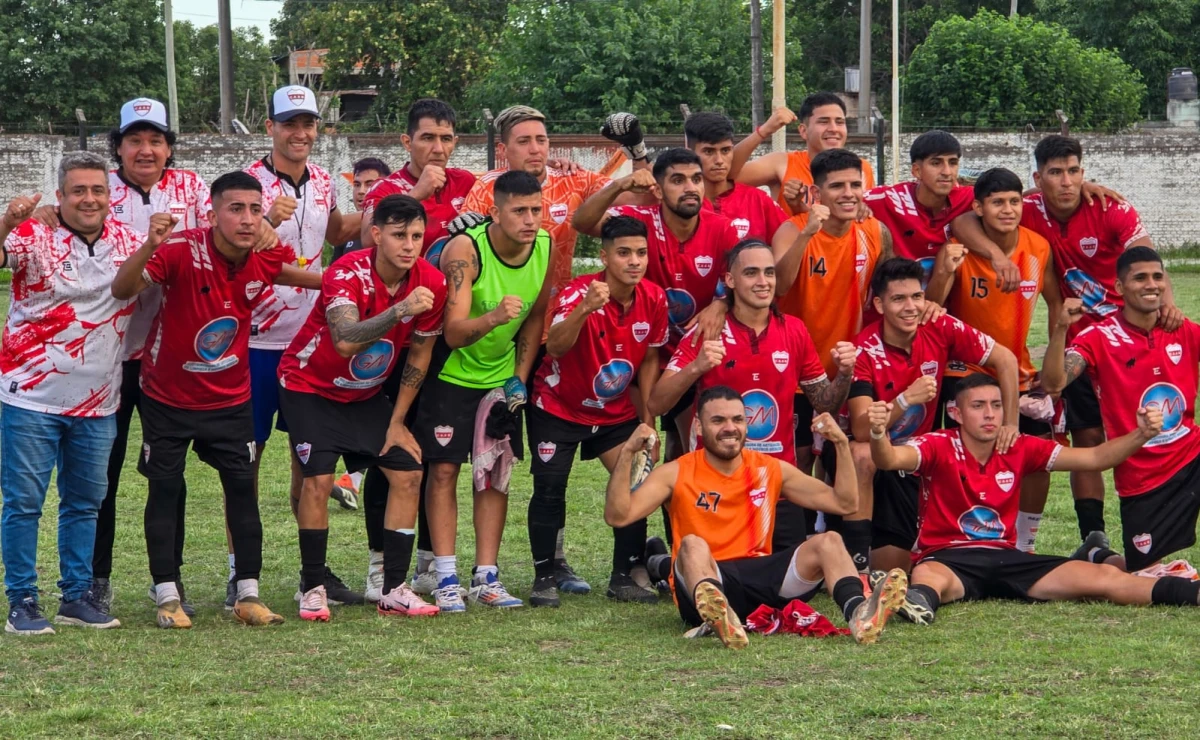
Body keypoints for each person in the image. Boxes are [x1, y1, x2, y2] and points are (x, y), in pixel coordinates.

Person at [110, 170, 321, 629]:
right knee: (164, 489)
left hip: (230, 399)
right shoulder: (179, 249)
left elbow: (294, 273)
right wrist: (148, 245)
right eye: (235, 209)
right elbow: (123, 289)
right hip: (168, 397)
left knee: (243, 491)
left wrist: (340, 284)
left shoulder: (265, 255)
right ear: (212, 212)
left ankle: (247, 593)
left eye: (254, 209)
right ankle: (166, 593)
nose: (247, 219)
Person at [867, 372, 1200, 622]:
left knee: (1107, 579)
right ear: (955, 412)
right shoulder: (937, 443)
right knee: (929, 579)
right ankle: (915, 602)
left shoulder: (1019, 446)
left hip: (1008, 559)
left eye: (996, 406)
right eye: (978, 406)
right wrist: (879, 433)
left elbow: (1097, 459)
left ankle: (1190, 594)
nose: (989, 415)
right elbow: (889, 460)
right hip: (948, 557)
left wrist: (1142, 434)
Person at [604, 386, 908, 649]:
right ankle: (721, 616)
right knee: (692, 545)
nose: (730, 427)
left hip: (762, 579)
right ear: (698, 426)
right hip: (707, 577)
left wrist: (841, 443)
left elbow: (844, 503)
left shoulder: (768, 468)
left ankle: (859, 614)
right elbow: (619, 516)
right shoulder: (676, 472)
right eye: (718, 420)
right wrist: (628, 451)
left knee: (828, 541)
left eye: (737, 419)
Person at [279, 195, 446, 621]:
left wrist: (396, 422)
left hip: (365, 395)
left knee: (408, 472)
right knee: (317, 480)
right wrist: (401, 310)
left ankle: (393, 589)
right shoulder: (345, 271)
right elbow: (347, 340)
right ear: (376, 235)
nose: (409, 245)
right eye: (398, 235)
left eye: (415, 236)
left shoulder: (431, 280)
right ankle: (313, 586)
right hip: (308, 385)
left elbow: (420, 356)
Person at [0, 152, 144, 635]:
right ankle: (21, 600)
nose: (89, 198)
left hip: (99, 402)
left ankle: (76, 596)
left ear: (110, 195)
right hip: (29, 397)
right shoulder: (33, 234)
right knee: (23, 503)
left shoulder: (130, 242)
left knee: (85, 503)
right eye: (78, 190)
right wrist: (7, 221)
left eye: (97, 190)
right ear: (60, 196)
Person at [1017, 135, 1181, 546]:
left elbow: (1145, 258)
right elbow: (977, 201)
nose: (1067, 181)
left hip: (1127, 340)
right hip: (1081, 345)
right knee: (1086, 438)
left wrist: (1166, 304)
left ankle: (1155, 534)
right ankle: (1094, 537)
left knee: (1150, 433)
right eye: (1056, 173)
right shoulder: (1026, 208)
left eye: (1074, 171)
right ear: (1039, 179)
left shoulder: (1111, 207)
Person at [651, 239, 855, 552]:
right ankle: (664, 561)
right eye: (751, 273)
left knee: (790, 581)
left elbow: (823, 402)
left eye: (769, 273)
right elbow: (657, 402)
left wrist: (844, 374)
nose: (763, 282)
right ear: (730, 280)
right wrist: (696, 368)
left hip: (777, 482)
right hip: (715, 482)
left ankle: (660, 562)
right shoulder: (709, 329)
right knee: (720, 574)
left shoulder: (794, 330)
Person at [244, 85, 363, 606]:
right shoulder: (245, 184)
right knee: (244, 460)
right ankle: (241, 572)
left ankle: (311, 573)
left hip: (307, 343)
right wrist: (330, 282)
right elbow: (237, 253)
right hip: (250, 341)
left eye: (308, 124)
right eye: (289, 123)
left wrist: (388, 210)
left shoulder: (320, 179)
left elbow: (335, 230)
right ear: (269, 126)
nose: (300, 133)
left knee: (309, 463)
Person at [411, 171, 551, 612]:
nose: (530, 220)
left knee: (495, 474)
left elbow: (535, 317)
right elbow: (452, 333)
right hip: (451, 375)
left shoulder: (545, 246)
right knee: (446, 473)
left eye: (536, 210)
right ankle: (447, 575)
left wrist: (518, 376)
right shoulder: (465, 250)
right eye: (519, 211)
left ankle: (487, 576)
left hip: (498, 378)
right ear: (495, 212)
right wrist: (494, 318)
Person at [526, 215, 669, 606]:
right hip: (558, 407)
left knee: (634, 485)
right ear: (604, 256)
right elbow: (553, 347)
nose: (634, 261)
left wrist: (648, 421)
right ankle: (544, 576)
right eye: (624, 253)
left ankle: (624, 577)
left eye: (640, 253)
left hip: (615, 412)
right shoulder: (578, 294)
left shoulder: (655, 298)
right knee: (550, 490)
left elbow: (650, 360)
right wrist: (584, 310)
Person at [846, 258, 1018, 574]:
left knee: (904, 567)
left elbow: (1006, 360)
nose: (910, 307)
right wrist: (905, 399)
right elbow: (860, 429)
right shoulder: (865, 349)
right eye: (899, 299)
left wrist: (1011, 424)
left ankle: (993, 543)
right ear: (880, 305)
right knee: (862, 454)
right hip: (881, 458)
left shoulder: (939, 326)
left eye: (917, 296)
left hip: (920, 457)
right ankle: (859, 564)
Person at [925, 168, 1064, 553]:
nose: (1008, 209)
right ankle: (962, 535)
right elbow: (932, 309)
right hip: (965, 371)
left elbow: (1054, 302)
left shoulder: (1038, 246)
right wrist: (944, 270)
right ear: (979, 208)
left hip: (1019, 372)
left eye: (1014, 201)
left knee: (1039, 454)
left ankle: (1025, 541)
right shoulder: (960, 248)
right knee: (966, 459)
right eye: (998, 202)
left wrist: (1056, 350)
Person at [573, 148, 740, 462]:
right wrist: (619, 186)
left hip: (693, 353)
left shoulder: (722, 227)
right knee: (646, 451)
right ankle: (639, 509)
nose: (690, 187)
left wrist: (721, 302)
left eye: (696, 179)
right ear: (659, 190)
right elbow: (582, 222)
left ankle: (680, 510)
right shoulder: (639, 222)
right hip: (644, 354)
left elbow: (746, 279)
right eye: (678, 180)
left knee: (689, 448)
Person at [1043, 247, 1200, 573]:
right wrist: (1060, 329)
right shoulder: (1098, 337)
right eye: (1140, 278)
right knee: (1141, 573)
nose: (1151, 284)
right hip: (1142, 474)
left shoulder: (1182, 330)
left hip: (1190, 454)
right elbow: (1053, 383)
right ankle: (1096, 554)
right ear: (1119, 288)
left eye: (1158, 276)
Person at [772, 148, 891, 481]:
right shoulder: (792, 230)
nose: (849, 193)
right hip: (798, 372)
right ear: (818, 192)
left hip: (849, 367)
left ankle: (832, 530)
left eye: (856, 184)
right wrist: (808, 231)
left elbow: (886, 290)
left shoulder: (874, 233)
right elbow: (779, 286)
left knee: (842, 460)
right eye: (838, 186)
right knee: (798, 460)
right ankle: (799, 532)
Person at [462, 105, 650, 305]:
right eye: (524, 141)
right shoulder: (486, 188)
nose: (535, 149)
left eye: (540, 140)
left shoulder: (572, 178)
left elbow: (642, 198)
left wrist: (637, 149)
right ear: (503, 150)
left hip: (557, 309)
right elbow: (463, 249)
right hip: (499, 309)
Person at [359, 99, 476, 261]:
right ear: (408, 142)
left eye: (446, 139)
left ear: (454, 142)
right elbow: (368, 241)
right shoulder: (384, 188)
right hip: (410, 285)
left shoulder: (466, 181)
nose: (438, 149)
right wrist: (414, 196)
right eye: (428, 138)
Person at [729, 93, 876, 217]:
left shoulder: (862, 168)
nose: (833, 129)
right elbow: (726, 175)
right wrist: (764, 131)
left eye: (840, 122)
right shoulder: (782, 164)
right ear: (803, 131)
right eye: (823, 122)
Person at [861, 130, 975, 278]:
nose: (947, 171)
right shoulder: (888, 198)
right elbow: (838, 201)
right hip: (897, 296)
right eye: (936, 163)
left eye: (952, 163)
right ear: (916, 170)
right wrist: (856, 206)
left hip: (949, 298)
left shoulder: (969, 197)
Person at [683, 111, 787, 243]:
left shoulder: (758, 200)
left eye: (726, 150)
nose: (719, 160)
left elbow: (791, 245)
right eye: (708, 151)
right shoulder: (679, 203)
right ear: (690, 153)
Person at [331, 156, 390, 262]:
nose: (361, 191)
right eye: (357, 185)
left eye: (370, 184)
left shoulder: (396, 228)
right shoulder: (347, 231)